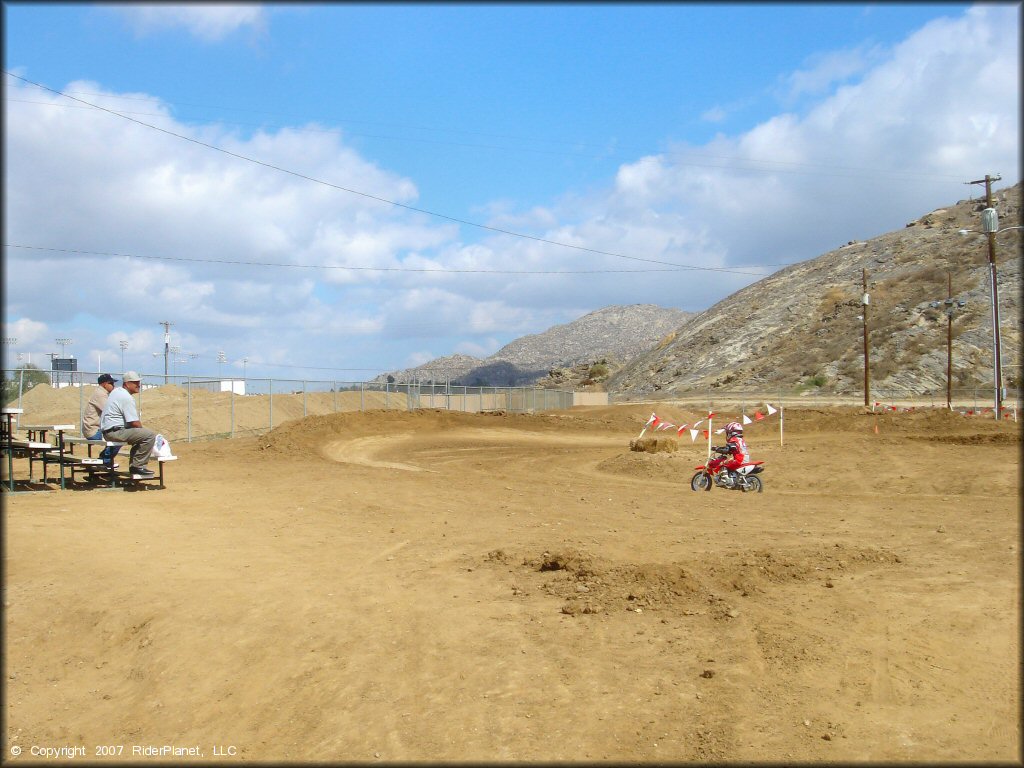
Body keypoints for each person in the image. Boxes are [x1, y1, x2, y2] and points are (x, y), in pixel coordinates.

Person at [99, 371, 157, 479]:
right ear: (126, 384)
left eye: (138, 382)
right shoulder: (126, 397)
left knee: (142, 436)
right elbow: (134, 422)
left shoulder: (117, 392)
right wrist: (142, 431)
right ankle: (137, 466)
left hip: (109, 431)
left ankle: (135, 466)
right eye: (135, 382)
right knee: (149, 436)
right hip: (115, 432)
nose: (138, 385)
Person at [82, 373, 121, 469]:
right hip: (93, 431)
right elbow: (110, 412)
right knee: (120, 437)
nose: (113, 386)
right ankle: (105, 461)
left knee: (118, 436)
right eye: (111, 383)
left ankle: (104, 460)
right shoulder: (100, 394)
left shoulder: (102, 393)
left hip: (93, 429)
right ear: (104, 384)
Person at [709, 421, 751, 486]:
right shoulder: (740, 440)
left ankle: (725, 480)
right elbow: (732, 449)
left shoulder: (734, 439)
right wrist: (721, 448)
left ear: (731, 432)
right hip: (745, 458)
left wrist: (717, 449)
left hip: (739, 459)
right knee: (729, 462)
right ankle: (734, 478)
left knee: (723, 463)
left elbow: (727, 449)